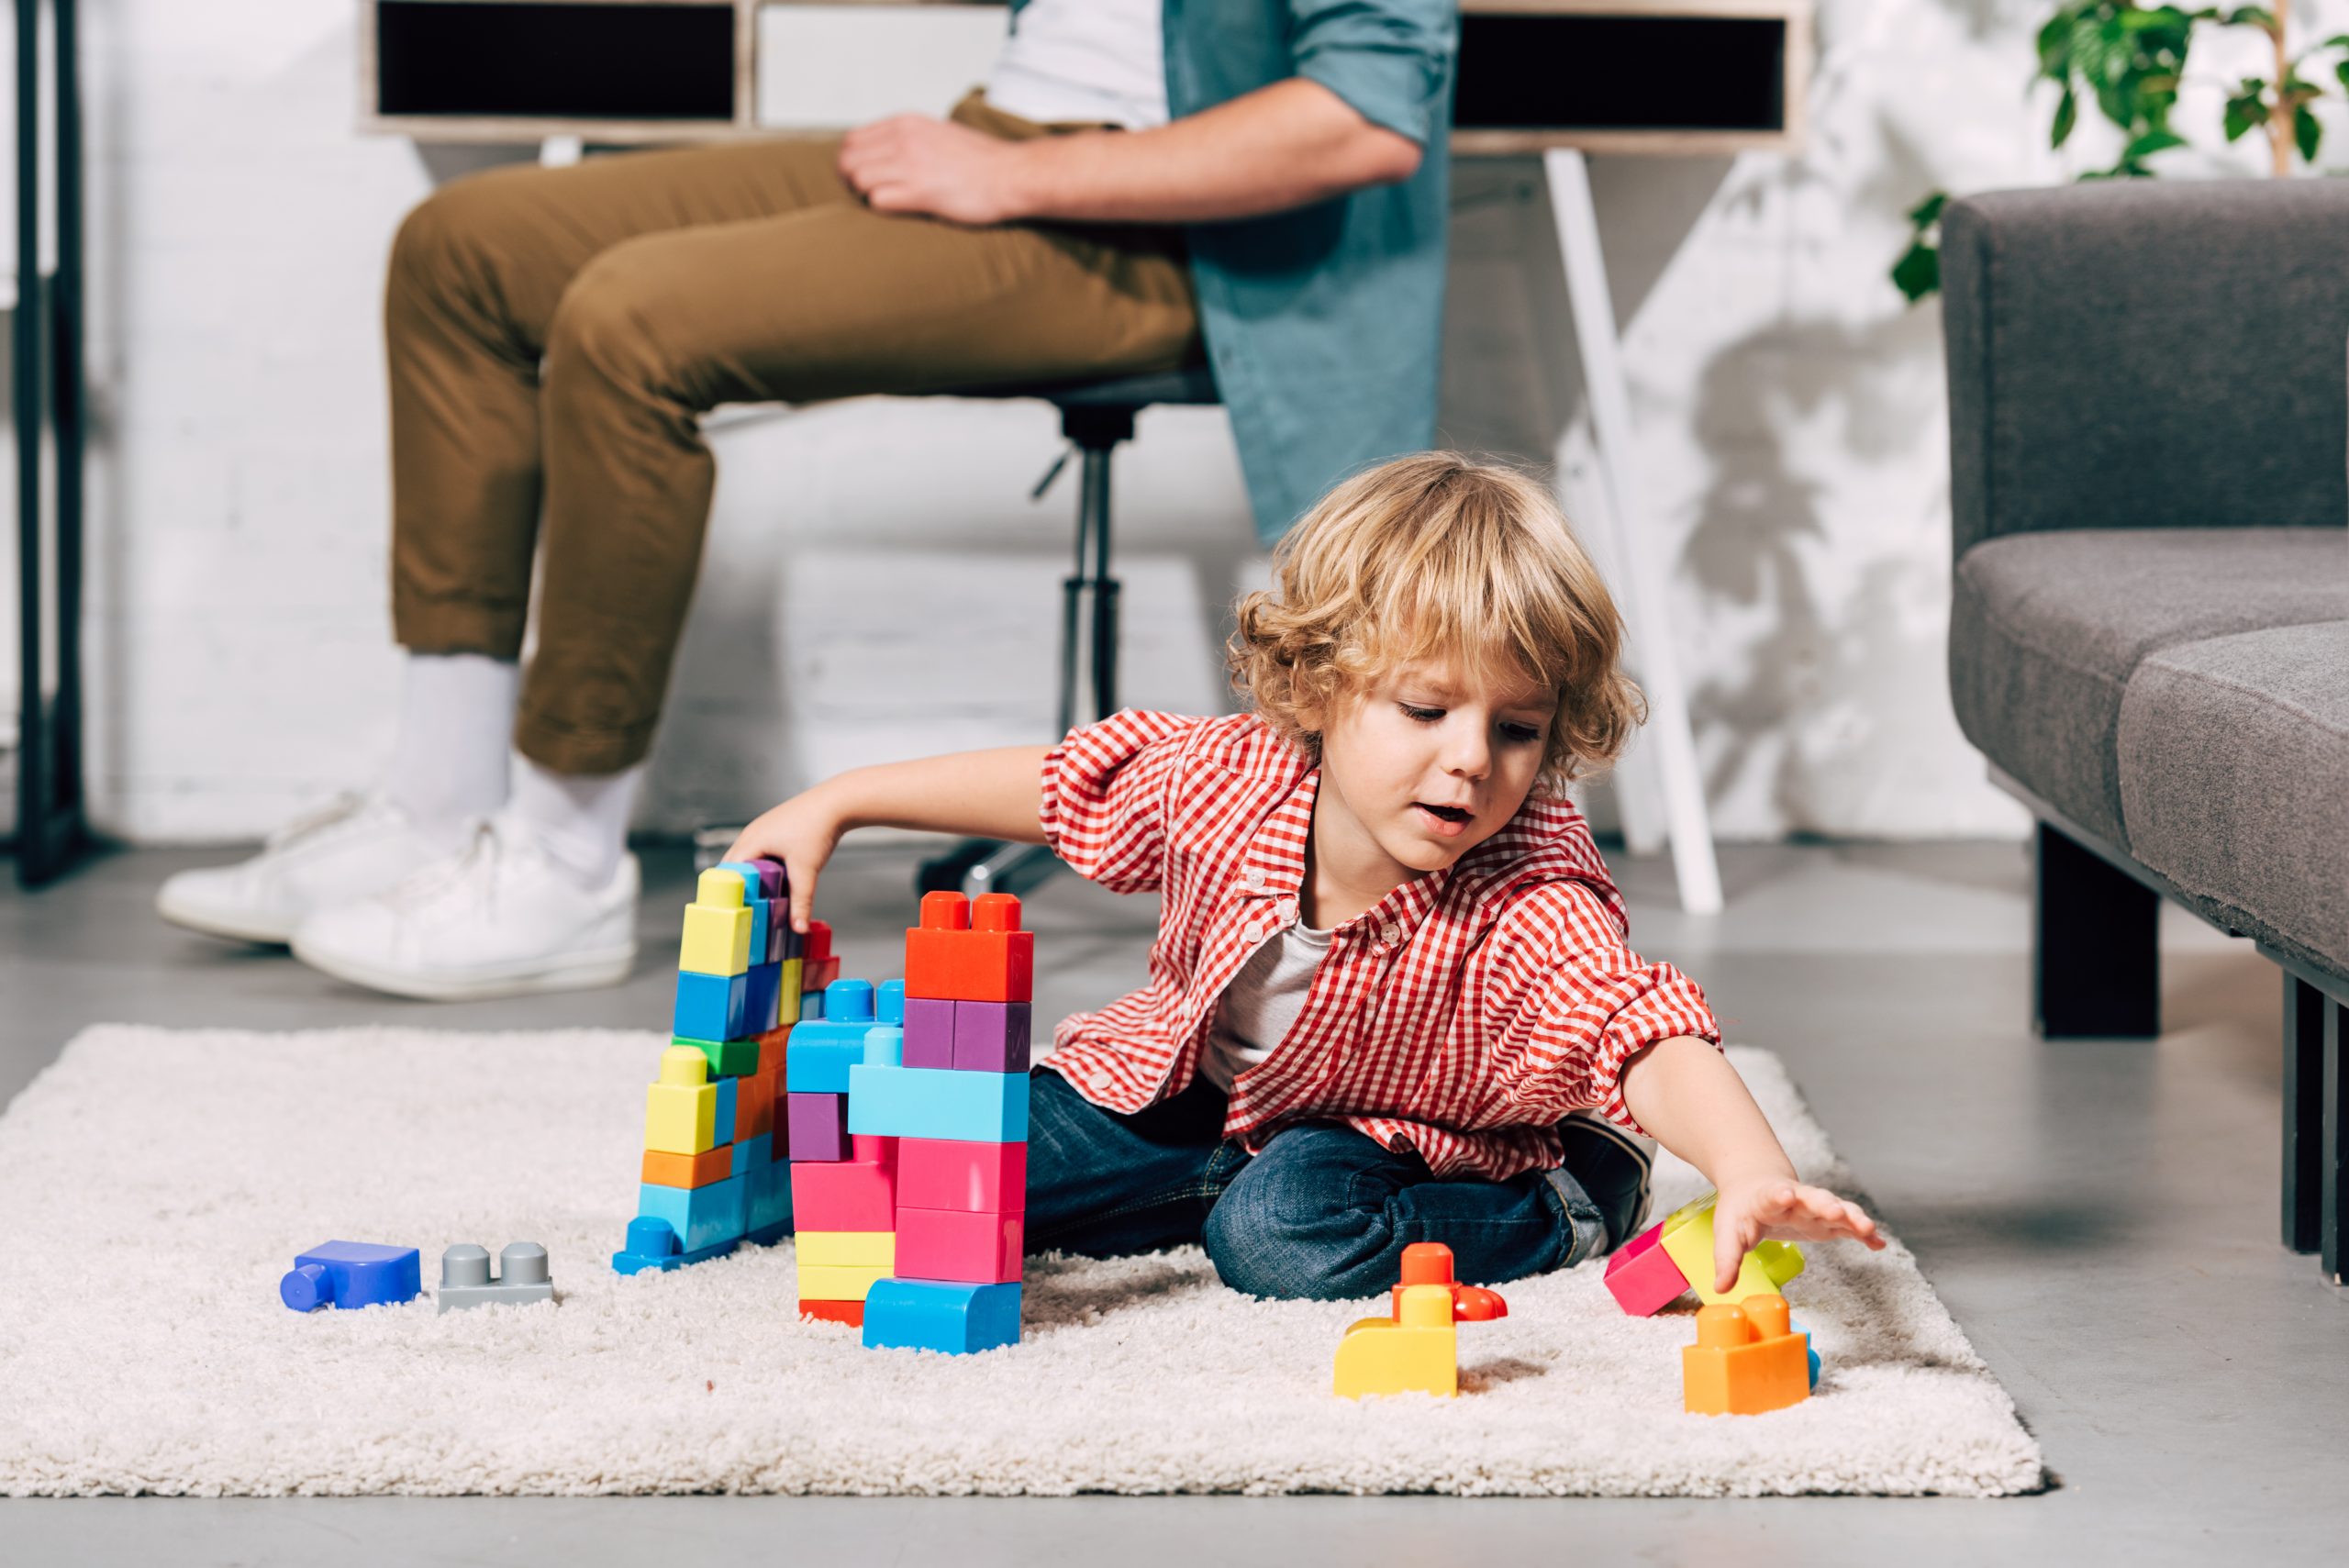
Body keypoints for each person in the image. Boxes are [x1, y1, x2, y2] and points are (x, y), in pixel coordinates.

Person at [154, 0, 1457, 1000]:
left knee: (631, 321)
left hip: (1173, 234)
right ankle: (439, 805)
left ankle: (561, 862)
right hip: (1006, 135)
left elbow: (1364, 117)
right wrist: (995, 154)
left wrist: (1007, 182)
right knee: (466, 249)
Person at [721, 453, 1885, 1298]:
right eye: (1425, 708)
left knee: (1278, 1239)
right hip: (1186, 1092)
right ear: (1322, 686)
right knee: (923, 1161)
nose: (1473, 758)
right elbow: (1064, 779)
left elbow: (1642, 1027)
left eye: (1519, 728)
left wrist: (1745, 1168)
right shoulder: (1233, 776)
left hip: (1393, 1134)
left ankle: (1572, 1198)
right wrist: (844, 799)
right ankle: (1176, 1188)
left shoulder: (1530, 889)